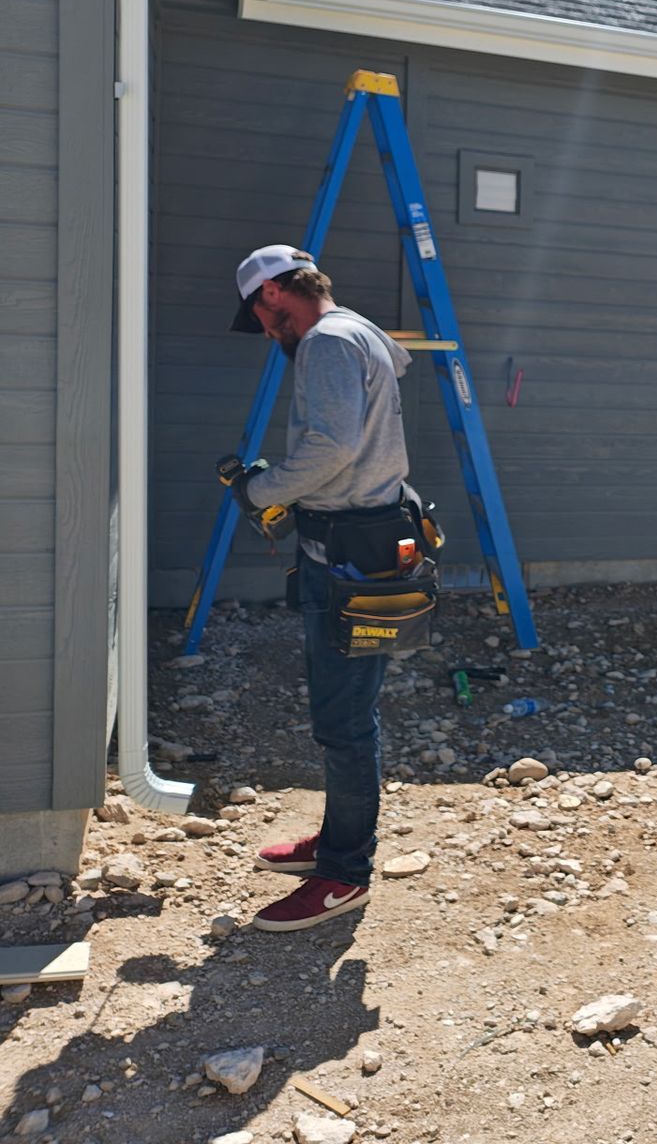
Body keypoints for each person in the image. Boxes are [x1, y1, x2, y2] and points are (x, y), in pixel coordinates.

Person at [225, 244, 413, 931]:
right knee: (347, 716)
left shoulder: (326, 343)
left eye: (264, 319)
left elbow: (331, 447)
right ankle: (338, 842)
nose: (269, 335)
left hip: (346, 554)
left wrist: (262, 488)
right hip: (364, 542)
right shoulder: (362, 331)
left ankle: (344, 874)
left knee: (344, 723)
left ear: (274, 295)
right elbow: (373, 407)